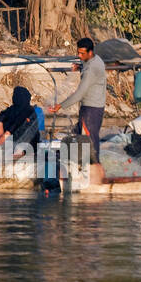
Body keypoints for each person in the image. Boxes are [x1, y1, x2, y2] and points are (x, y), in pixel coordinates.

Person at [49, 36, 107, 184]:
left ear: (90, 52)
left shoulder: (92, 69)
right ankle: (83, 169)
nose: (80, 56)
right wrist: (80, 66)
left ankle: (97, 175)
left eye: (82, 54)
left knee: (90, 141)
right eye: (78, 53)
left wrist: (60, 105)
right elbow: (86, 65)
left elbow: (79, 94)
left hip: (91, 109)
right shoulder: (94, 60)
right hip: (94, 107)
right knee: (83, 138)